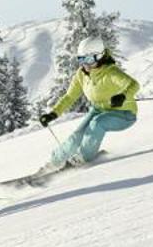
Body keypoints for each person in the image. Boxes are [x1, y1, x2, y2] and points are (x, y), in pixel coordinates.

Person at [38, 37, 139, 168]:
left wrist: (123, 96)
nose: (85, 64)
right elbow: (69, 97)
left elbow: (134, 84)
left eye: (89, 59)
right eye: (81, 59)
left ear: (100, 56)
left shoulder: (111, 72)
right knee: (76, 137)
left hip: (123, 114)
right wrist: (53, 114)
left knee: (97, 124)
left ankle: (82, 158)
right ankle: (54, 163)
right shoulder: (81, 74)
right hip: (98, 110)